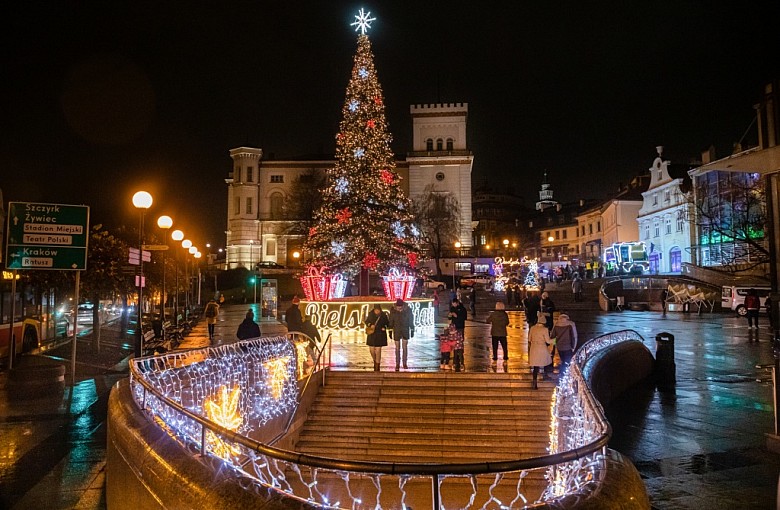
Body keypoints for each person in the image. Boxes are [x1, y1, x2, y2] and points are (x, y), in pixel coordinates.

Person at [528, 312, 553, 389]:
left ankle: (534, 383)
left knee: (536, 366)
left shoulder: (532, 328)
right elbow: (548, 341)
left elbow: (529, 339)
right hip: (542, 348)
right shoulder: (545, 329)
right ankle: (546, 375)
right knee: (547, 361)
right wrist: (555, 340)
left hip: (534, 348)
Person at [389, 299, 414, 371]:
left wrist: (412, 329)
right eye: (398, 307)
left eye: (400, 307)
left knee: (405, 347)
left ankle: (404, 363)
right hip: (397, 330)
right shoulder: (393, 311)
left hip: (405, 330)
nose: (399, 308)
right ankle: (397, 363)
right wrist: (390, 330)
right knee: (397, 348)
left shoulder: (408, 310)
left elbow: (410, 319)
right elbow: (391, 320)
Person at [364, 304, 390, 371]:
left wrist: (384, 327)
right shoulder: (371, 314)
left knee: (378, 350)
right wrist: (370, 325)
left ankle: (377, 365)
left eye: (378, 310)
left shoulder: (383, 315)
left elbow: (387, 323)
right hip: (372, 334)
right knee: (371, 350)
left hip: (380, 334)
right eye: (376, 310)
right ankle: (375, 361)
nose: (377, 311)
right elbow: (367, 321)